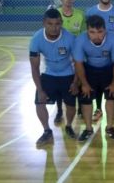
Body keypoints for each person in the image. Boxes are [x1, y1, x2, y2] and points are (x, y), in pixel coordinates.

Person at [29, 8, 79, 146]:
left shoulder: (70, 38)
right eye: (50, 24)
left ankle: (68, 126)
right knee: (39, 102)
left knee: (71, 104)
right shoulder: (37, 39)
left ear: (61, 23)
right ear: (44, 23)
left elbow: (78, 63)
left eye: (57, 24)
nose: (54, 27)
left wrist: (75, 82)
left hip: (68, 74)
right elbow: (34, 67)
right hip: (49, 73)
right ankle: (46, 131)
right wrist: (40, 90)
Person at [73, 15, 114, 141]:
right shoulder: (80, 40)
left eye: (100, 32)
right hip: (89, 70)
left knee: (111, 96)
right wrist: (84, 84)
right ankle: (88, 128)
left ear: (105, 30)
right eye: (92, 32)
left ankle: (110, 127)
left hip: (108, 69)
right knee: (86, 98)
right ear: (87, 31)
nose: (96, 36)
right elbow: (78, 63)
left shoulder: (113, 39)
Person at [86, 0, 114, 121]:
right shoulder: (91, 12)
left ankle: (113, 109)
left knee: (111, 80)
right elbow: (87, 34)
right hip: (95, 54)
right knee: (96, 83)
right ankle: (98, 108)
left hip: (111, 53)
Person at [55, 0, 86, 123]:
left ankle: (79, 108)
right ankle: (59, 111)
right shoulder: (55, 14)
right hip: (58, 54)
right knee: (60, 83)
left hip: (75, 54)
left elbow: (83, 35)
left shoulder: (80, 14)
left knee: (78, 80)